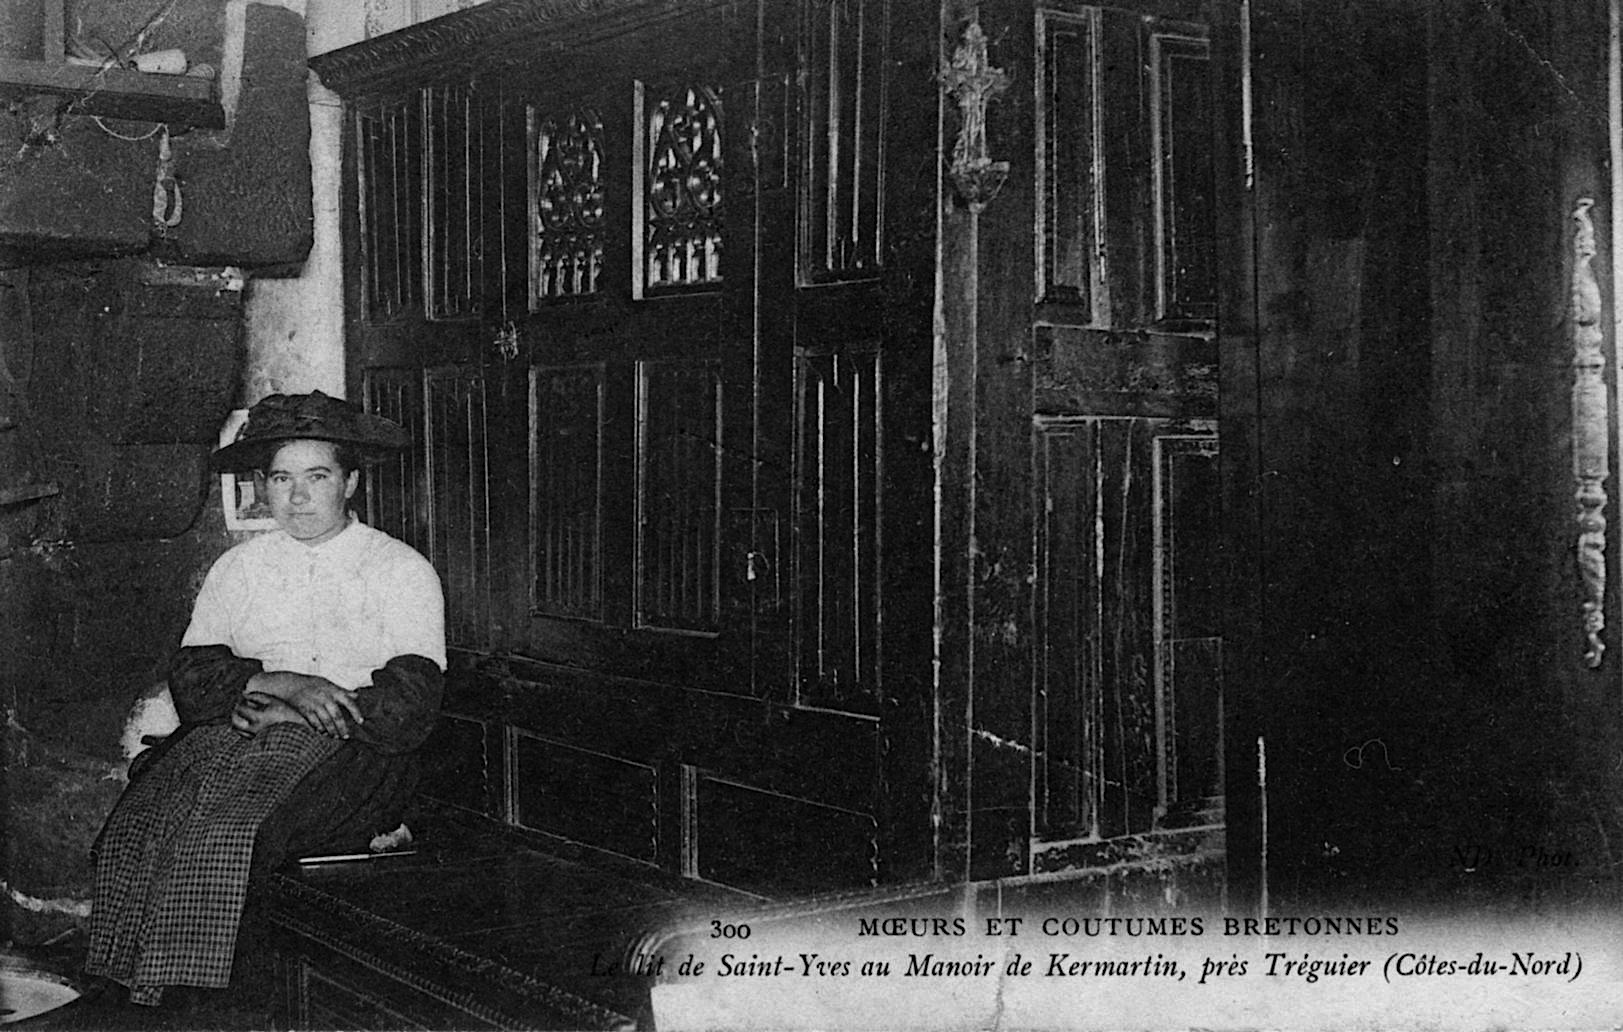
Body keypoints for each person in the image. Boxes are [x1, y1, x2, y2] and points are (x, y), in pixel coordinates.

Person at [84, 390, 446, 1008]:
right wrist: (283, 685)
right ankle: (135, 995)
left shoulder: (399, 569)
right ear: (263, 486)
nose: (298, 496)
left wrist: (300, 710)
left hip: (354, 749)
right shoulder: (239, 569)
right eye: (282, 478)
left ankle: (221, 1006)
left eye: (317, 476)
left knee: (227, 837)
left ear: (350, 483)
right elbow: (194, 676)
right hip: (238, 733)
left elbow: (408, 705)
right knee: (136, 826)